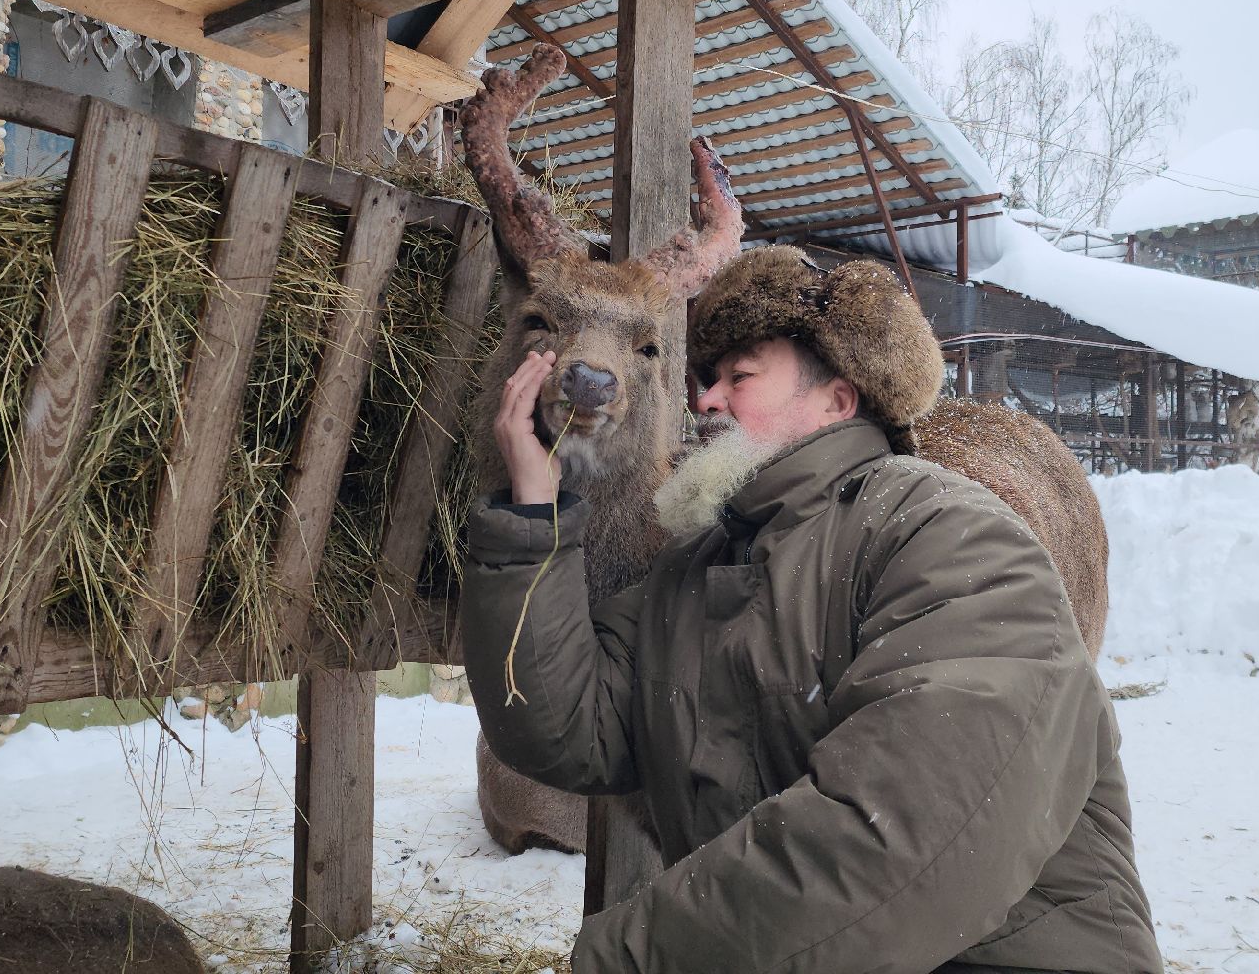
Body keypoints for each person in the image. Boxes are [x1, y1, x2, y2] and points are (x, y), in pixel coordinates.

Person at [461, 247, 1161, 973]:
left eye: (740, 376)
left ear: (839, 399)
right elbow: (558, 728)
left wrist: (620, 960)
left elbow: (893, 850)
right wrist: (531, 514)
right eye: (705, 380)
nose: (704, 400)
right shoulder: (700, 571)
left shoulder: (955, 540)